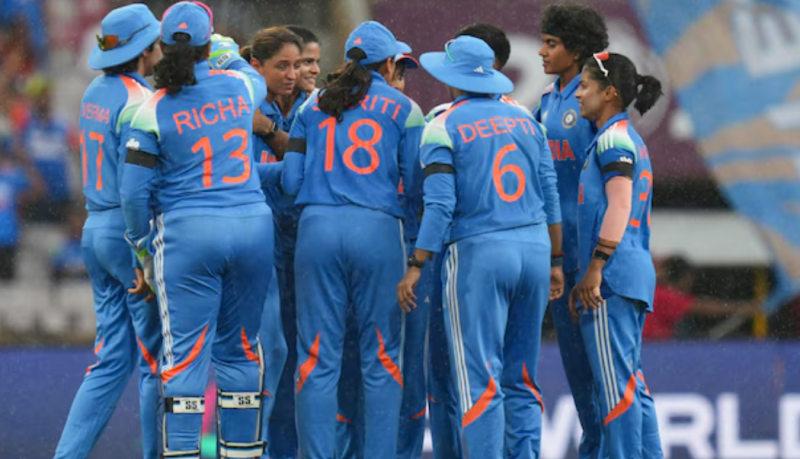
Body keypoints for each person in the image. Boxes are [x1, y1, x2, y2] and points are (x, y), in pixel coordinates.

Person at [399, 35, 563, 459]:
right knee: (522, 377)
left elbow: (439, 204)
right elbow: (550, 192)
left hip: (479, 253)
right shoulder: (527, 119)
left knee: (480, 380)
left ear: (451, 77)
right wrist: (557, 259)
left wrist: (417, 263)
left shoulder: (442, 124)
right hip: (534, 250)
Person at [120, 2, 273, 458]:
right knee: (241, 350)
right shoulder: (240, 87)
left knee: (185, 357)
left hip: (188, 236)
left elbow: (132, 195)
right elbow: (250, 73)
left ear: (163, 47)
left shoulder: (151, 108)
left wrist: (142, 249)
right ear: (209, 46)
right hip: (253, 228)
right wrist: (223, 49)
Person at [282, 20, 424, 459]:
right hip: (378, 230)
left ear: (347, 60)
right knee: (381, 357)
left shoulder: (312, 106)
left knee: (316, 357)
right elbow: (416, 185)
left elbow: (290, 182)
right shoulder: (405, 109)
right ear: (389, 64)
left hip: (316, 231)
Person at [52, 5, 162, 459]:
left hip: (95, 227)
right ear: (145, 49)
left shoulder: (94, 91)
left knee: (112, 360)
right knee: (156, 361)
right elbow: (139, 181)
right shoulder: (143, 98)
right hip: (128, 232)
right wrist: (143, 252)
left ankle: (67, 455)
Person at [572, 51, 664, 459]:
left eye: (585, 86)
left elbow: (620, 205)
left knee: (615, 390)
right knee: (630, 384)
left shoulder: (612, 140)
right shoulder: (625, 139)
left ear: (609, 93)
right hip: (629, 272)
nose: (578, 93)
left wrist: (594, 268)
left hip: (612, 277)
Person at [535, 4, 609, 458]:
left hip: (592, 254)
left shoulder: (595, 100)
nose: (541, 52)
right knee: (578, 371)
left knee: (609, 374)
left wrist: (598, 257)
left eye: (551, 44)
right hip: (558, 254)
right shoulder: (546, 100)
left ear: (577, 50)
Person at [239, 26, 304, 459]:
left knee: (284, 353)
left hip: (293, 243)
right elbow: (237, 173)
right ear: (256, 67)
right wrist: (294, 167)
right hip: (256, 241)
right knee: (265, 351)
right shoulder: (242, 109)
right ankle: (248, 447)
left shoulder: (300, 110)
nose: (293, 74)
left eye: (298, 65)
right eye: (283, 66)